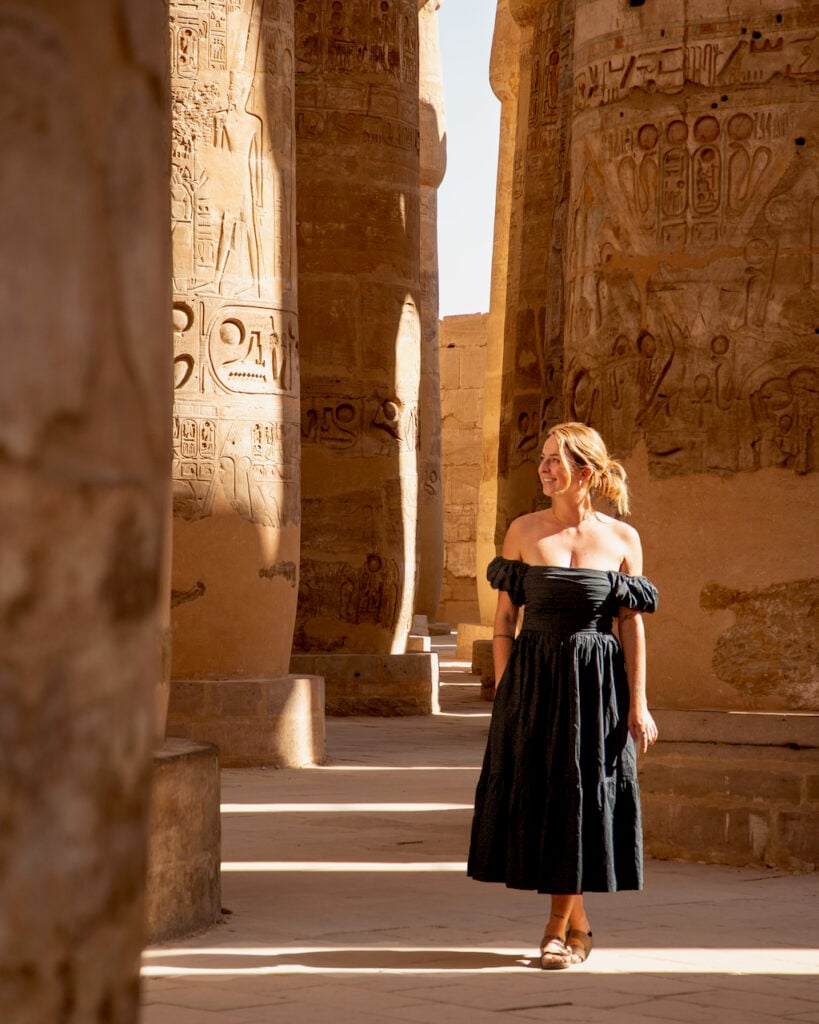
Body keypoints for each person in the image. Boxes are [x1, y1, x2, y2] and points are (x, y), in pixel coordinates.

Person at [467, 421, 659, 969]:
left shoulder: (623, 538)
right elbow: (505, 621)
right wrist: (507, 689)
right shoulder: (522, 531)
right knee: (547, 797)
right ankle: (576, 928)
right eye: (543, 458)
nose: (545, 468)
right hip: (534, 679)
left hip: (599, 685)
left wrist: (639, 703)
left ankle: (557, 928)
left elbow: (632, 627)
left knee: (583, 797)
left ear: (587, 472)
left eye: (556, 459)